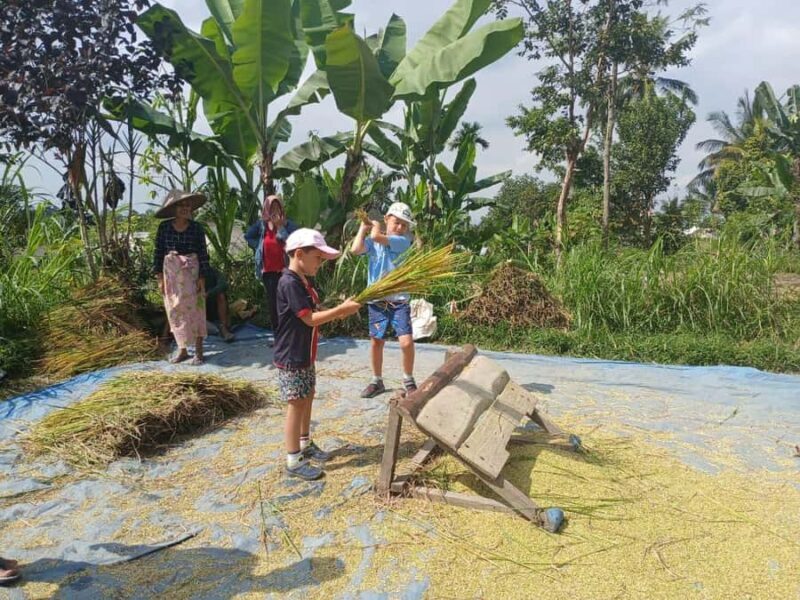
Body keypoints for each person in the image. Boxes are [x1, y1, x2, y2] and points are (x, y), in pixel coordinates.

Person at [275, 228, 361, 481]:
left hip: (305, 352)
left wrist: (340, 310)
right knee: (296, 403)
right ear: (299, 254)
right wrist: (339, 310)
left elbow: (314, 310)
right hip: (292, 355)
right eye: (318, 258)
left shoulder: (302, 281)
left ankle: (305, 443)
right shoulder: (289, 282)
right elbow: (310, 319)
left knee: (307, 395)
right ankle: (293, 459)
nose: (320, 264)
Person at [351, 202, 417, 398]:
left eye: (404, 225)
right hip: (377, 301)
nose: (400, 228)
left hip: (399, 301)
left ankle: (408, 379)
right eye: (396, 222)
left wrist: (375, 226)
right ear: (387, 219)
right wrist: (363, 228)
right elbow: (355, 250)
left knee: (406, 342)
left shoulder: (402, 241)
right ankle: (376, 380)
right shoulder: (374, 244)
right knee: (376, 342)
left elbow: (377, 236)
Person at [153, 189, 211, 365]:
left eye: (188, 205)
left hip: (191, 274)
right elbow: (157, 253)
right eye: (181, 205)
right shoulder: (164, 228)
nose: (185, 208)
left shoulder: (196, 228)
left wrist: (202, 277)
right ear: (174, 209)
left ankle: (199, 351)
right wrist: (159, 279)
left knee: (197, 309)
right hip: (171, 275)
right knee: (175, 311)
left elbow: (202, 253)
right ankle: (183, 349)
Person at [245, 195, 297, 342]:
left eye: (277, 207)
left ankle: (290, 336)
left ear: (281, 209)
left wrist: (280, 227)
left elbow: (293, 243)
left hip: (285, 271)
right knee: (274, 306)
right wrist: (258, 248)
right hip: (269, 273)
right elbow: (247, 236)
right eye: (271, 207)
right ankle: (278, 338)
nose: (274, 210)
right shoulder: (261, 225)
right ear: (266, 209)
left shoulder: (288, 225)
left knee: (288, 305)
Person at [205, 267, 235, 343]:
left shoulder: (213, 272)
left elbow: (223, 285)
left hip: (216, 310)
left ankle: (223, 327)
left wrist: (208, 294)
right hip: (202, 316)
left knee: (221, 295)